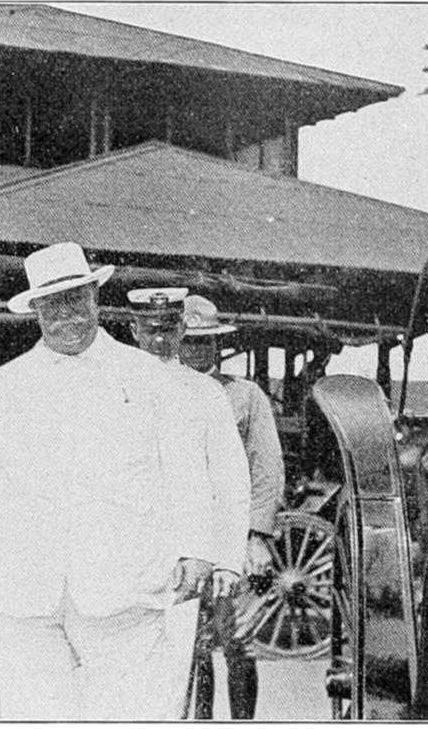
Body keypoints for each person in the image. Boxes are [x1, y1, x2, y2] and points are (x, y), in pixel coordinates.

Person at [0, 242, 217, 720]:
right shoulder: (7, 384)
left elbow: (186, 467)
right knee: (35, 715)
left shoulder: (148, 377)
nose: (65, 314)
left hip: (124, 583)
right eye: (52, 304)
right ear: (36, 310)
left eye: (75, 299)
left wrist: (195, 547)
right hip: (28, 584)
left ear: (95, 297)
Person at [127, 287, 253, 718]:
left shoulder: (206, 394)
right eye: (150, 329)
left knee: (177, 679)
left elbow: (231, 481)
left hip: (183, 563)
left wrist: (227, 560)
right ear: (133, 330)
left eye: (168, 328)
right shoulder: (109, 386)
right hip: (120, 560)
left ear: (181, 328)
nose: (160, 339)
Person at [178, 294, 285, 719]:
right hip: (184, 540)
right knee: (193, 644)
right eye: (188, 341)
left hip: (232, 539)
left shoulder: (245, 395)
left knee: (237, 640)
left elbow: (267, 467)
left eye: (204, 341)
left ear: (218, 344)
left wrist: (257, 537)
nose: (195, 350)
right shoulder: (165, 391)